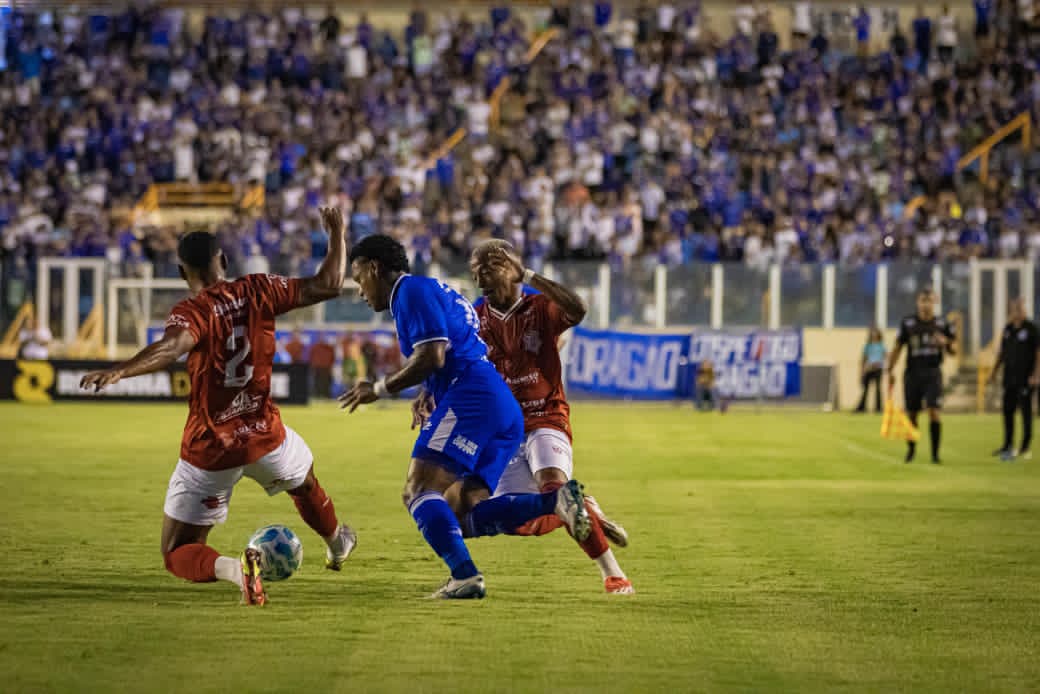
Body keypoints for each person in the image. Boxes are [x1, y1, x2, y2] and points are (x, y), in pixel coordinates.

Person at [79, 208, 357, 606]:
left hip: (211, 448)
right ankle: (336, 543)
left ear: (181, 273)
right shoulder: (261, 288)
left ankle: (234, 569)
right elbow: (329, 284)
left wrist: (121, 370)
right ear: (223, 261)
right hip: (265, 436)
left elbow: (173, 347)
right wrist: (336, 233)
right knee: (305, 481)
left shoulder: (192, 311)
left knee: (177, 551)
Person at [339, 234, 591, 599]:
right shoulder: (435, 291)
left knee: (420, 490)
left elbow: (433, 356)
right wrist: (430, 391)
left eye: (359, 277)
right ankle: (555, 503)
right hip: (499, 404)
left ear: (375, 269)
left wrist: (377, 390)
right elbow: (452, 350)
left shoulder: (409, 292)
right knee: (464, 508)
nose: (360, 290)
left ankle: (465, 574)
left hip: (472, 397)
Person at [465, 239, 634, 594]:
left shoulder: (541, 307)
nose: (479, 281)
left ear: (511, 269)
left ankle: (612, 573)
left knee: (554, 487)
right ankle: (587, 508)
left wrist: (528, 275)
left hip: (546, 417)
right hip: (504, 430)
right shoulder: (475, 318)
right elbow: (455, 363)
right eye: (475, 273)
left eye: (487, 271)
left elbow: (579, 309)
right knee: (521, 518)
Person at [887, 289, 955, 463]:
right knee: (912, 414)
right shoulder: (908, 323)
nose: (926, 305)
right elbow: (897, 347)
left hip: (933, 372)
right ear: (917, 303)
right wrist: (890, 369)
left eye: (929, 301)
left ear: (935, 303)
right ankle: (911, 450)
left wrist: (945, 343)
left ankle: (935, 454)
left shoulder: (942, 324)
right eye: (922, 301)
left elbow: (954, 350)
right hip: (912, 373)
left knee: (934, 411)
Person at [988, 298, 1040, 460]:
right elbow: (1002, 353)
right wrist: (994, 372)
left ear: (1024, 310)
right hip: (1009, 378)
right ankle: (1007, 445)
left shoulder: (1032, 329)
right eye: (1014, 309)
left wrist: (1036, 375)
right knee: (1007, 412)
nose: (1017, 312)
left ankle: (1025, 447)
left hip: (1026, 379)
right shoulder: (1008, 329)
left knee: (1025, 413)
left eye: (1019, 309)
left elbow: (1039, 354)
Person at [856, 327, 886, 413]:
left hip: (878, 369)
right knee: (865, 389)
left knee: (878, 389)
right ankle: (861, 408)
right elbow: (863, 359)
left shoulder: (881, 346)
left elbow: (885, 357)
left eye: (875, 332)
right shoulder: (868, 346)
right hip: (869, 369)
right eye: (872, 332)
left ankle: (878, 408)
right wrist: (862, 371)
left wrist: (881, 365)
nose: (874, 334)